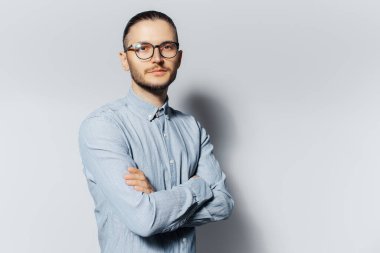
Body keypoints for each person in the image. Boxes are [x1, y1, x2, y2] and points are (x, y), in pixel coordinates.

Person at [78, 10, 234, 253]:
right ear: (124, 59)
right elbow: (145, 219)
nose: (156, 58)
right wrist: (198, 188)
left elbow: (223, 204)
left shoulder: (192, 128)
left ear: (179, 57)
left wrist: (158, 199)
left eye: (167, 47)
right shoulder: (103, 127)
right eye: (142, 48)